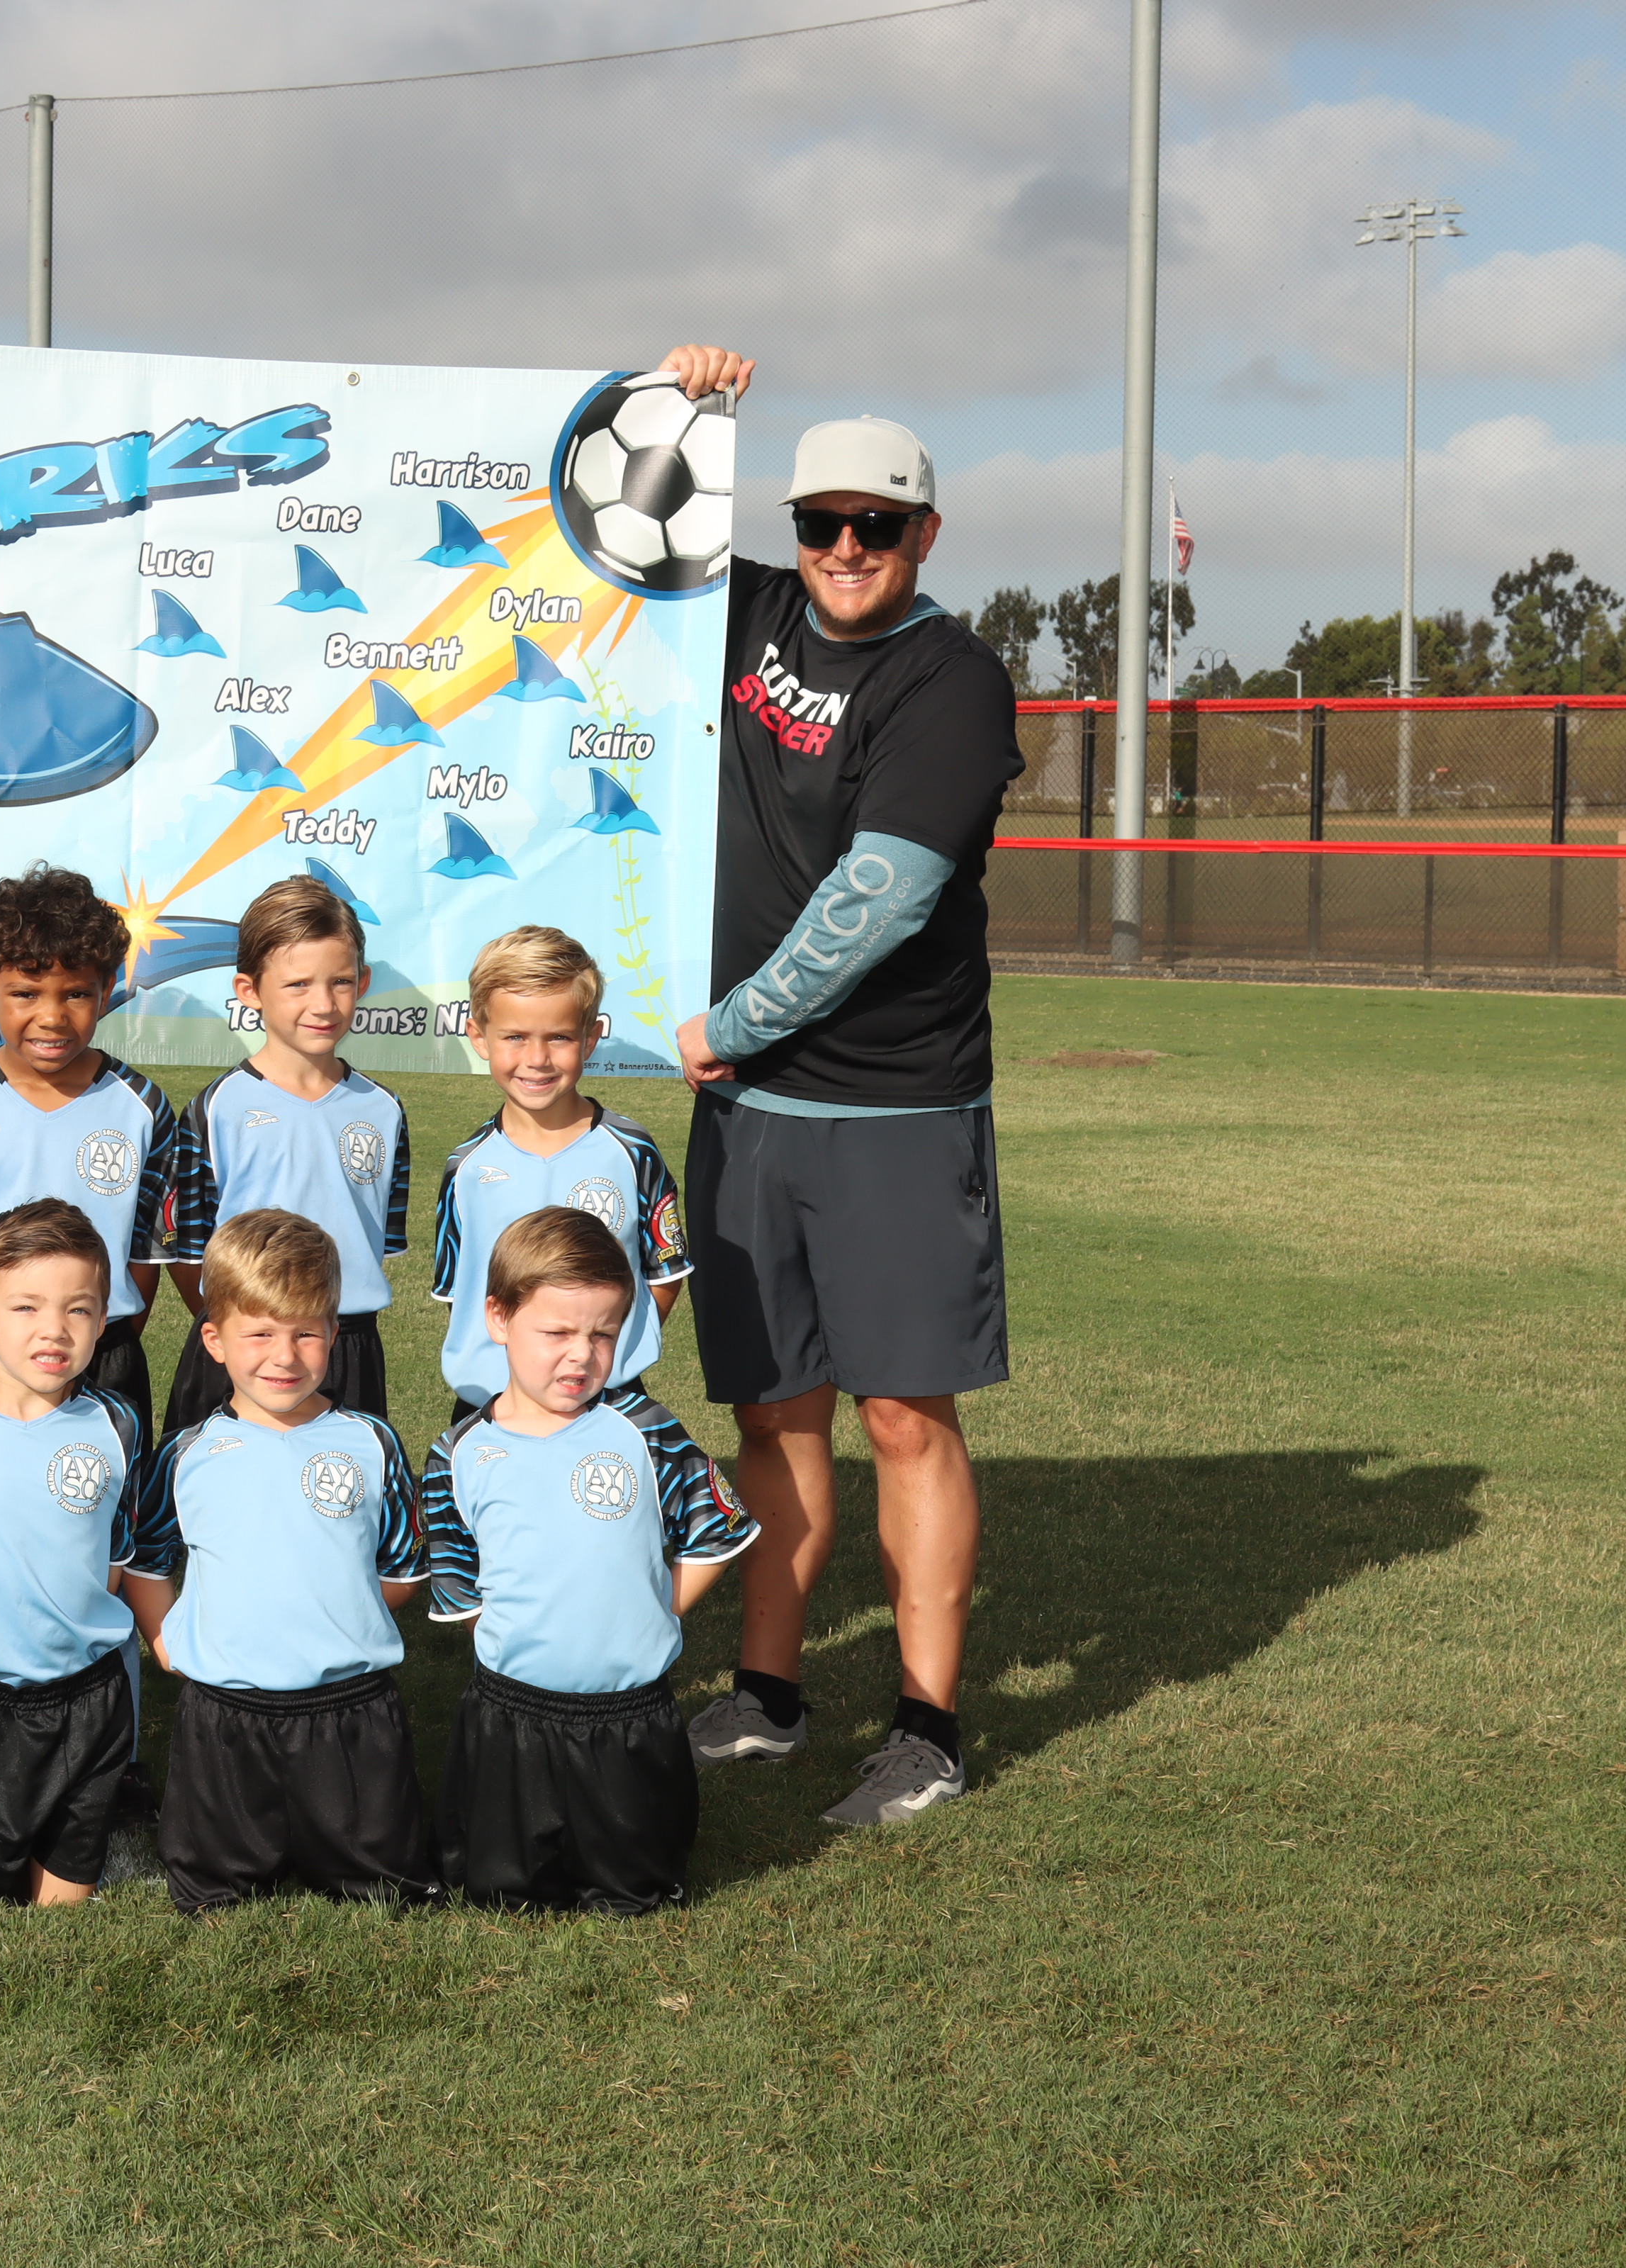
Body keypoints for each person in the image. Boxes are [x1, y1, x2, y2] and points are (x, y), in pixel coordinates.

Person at [654, 347, 1024, 1831]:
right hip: (751, 1109)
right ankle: (769, 1696)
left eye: (879, 523)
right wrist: (677, 405)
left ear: (927, 533)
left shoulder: (953, 680)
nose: (848, 548)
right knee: (772, 1416)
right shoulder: (744, 611)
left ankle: (927, 1728)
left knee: (906, 1421)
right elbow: (610, 521)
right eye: (823, 522)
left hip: (893, 1108)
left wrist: (734, 1023)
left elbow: (882, 896)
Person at [421, 1206, 753, 1913]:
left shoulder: (646, 1431)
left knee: (634, 1888)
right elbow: (461, 1584)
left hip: (628, 1711)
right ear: (498, 1317)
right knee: (502, 1889)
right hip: (509, 1712)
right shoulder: (457, 1453)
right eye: (558, 1332)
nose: (582, 1355)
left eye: (603, 1334)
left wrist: (657, 1606)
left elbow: (716, 1531)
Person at [147, 1210, 434, 1914]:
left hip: (349, 1709)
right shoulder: (186, 1453)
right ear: (214, 1340)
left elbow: (402, 1566)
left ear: (334, 1333)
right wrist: (163, 1639)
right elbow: (147, 1560)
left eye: (306, 1332)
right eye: (260, 1333)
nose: (285, 1355)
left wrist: (336, 1613)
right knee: (212, 1890)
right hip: (225, 1712)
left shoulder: (370, 1442)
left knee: (384, 1888)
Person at [0, 1198, 179, 1904]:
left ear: (104, 1316)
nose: (54, 1329)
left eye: (78, 1309)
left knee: (61, 1910)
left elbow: (122, 1550)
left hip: (86, 1700)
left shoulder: (118, 1424)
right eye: (26, 1307)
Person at [0, 865, 199, 1417]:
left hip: (98, 1357)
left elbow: (144, 1255)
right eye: (26, 993)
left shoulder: (143, 1108)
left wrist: (102, 1338)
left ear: (106, 992)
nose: (52, 1017)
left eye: (76, 993)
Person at [159, 875, 410, 1434]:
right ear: (249, 991)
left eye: (341, 982)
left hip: (348, 1344)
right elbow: (188, 1250)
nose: (323, 1004)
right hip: (244, 1345)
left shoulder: (384, 1110)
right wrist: (244, 1323)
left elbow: (380, 1241)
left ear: (364, 981)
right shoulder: (215, 1110)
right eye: (298, 985)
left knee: (348, 1484)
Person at [432, 927, 690, 1430]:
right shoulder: (467, 1169)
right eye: (515, 1037)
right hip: (495, 1404)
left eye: (559, 1037)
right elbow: (459, 1297)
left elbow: (665, 1274)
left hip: (608, 1398)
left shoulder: (632, 1152)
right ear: (479, 1037)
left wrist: (603, 1349)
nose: (537, 1059)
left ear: (590, 1037)